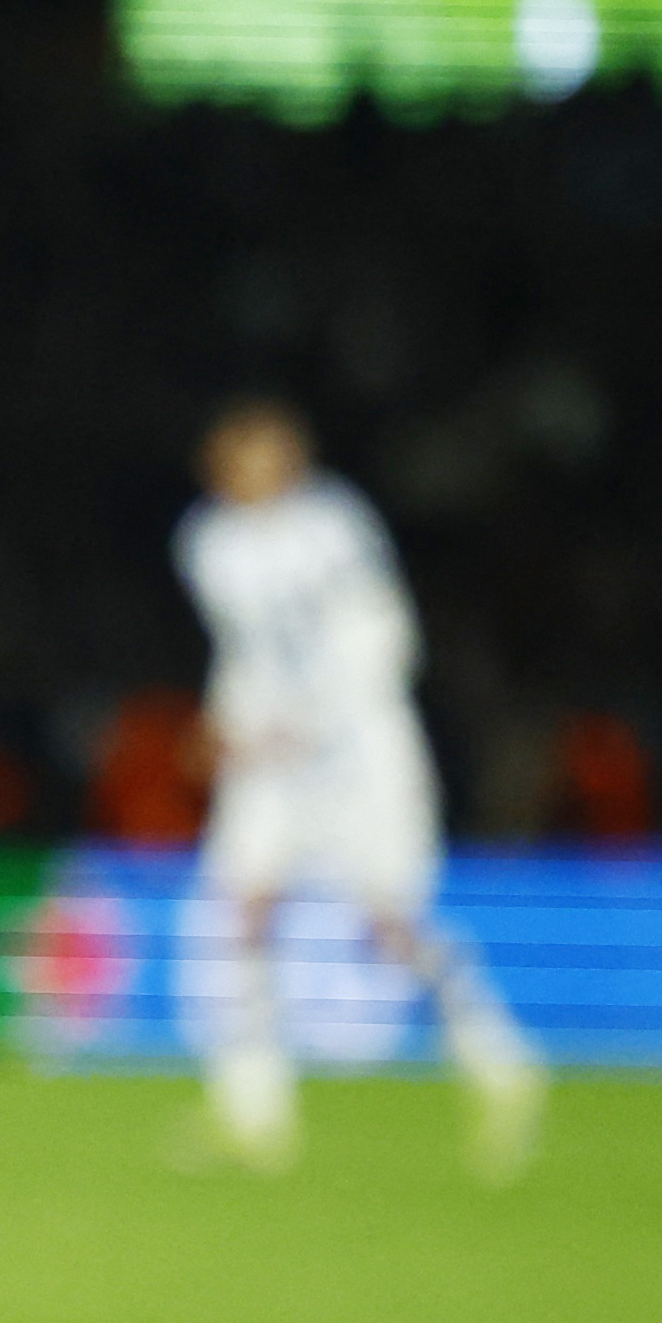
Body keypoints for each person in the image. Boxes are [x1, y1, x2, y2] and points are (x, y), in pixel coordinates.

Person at [176, 396, 546, 1179]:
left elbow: (383, 640)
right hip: (270, 764)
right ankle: (253, 1117)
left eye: (264, 453)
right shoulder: (208, 544)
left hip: (359, 754)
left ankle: (502, 1067)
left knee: (391, 925)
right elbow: (244, 653)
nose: (248, 471)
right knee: (236, 914)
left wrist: (309, 723)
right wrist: (225, 724)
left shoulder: (335, 528)